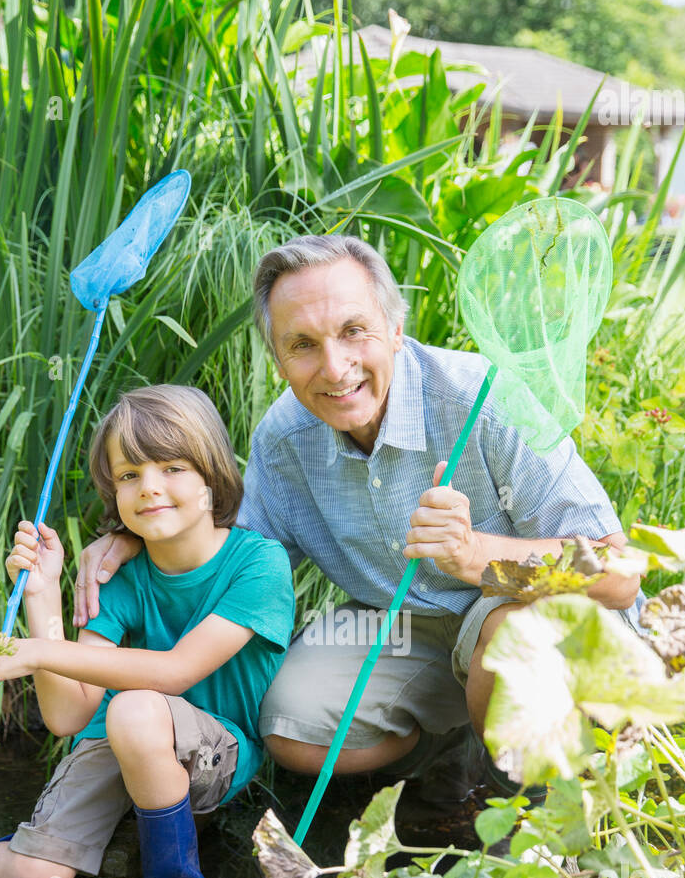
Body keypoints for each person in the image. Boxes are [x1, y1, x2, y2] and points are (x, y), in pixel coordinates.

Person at [72, 236, 644, 801]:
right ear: (279, 360)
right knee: (292, 728)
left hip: (527, 613)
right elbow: (234, 556)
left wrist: (473, 554)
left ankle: (531, 809)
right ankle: (450, 757)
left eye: (353, 331)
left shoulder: (485, 400)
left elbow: (619, 572)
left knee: (507, 639)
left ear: (395, 330)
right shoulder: (286, 438)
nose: (334, 366)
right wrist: (137, 533)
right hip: (406, 626)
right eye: (302, 344)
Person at [0, 386, 295, 878]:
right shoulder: (115, 578)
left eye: (172, 467)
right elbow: (69, 715)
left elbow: (176, 672)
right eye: (128, 475)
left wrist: (36, 653)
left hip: (210, 751)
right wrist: (43, 597)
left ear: (213, 479)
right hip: (111, 740)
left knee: (136, 708)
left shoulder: (258, 562)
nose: (148, 485)